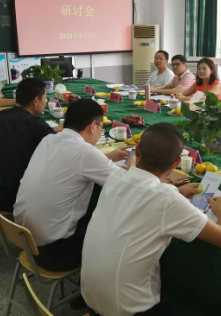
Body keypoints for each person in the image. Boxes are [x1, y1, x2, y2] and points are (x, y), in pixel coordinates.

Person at [81, 122, 221, 316]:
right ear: (176, 163)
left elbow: (142, 195)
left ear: (137, 150)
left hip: (91, 300)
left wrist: (176, 192)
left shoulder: (115, 177)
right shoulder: (166, 199)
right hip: (131, 311)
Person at [13, 99, 132, 272]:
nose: (101, 131)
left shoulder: (49, 139)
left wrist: (107, 157)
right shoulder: (85, 152)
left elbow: (73, 164)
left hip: (22, 236)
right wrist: (133, 166)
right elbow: (127, 185)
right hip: (55, 252)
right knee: (113, 213)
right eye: (101, 127)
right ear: (93, 126)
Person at [0, 78, 62, 212]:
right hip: (12, 198)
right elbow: (59, 154)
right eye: (45, 99)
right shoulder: (36, 125)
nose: (46, 102)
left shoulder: (0, 116)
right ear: (36, 101)